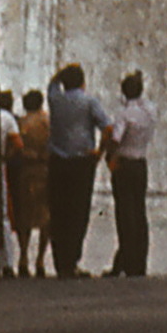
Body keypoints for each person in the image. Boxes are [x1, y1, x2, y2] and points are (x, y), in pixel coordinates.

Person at [45, 61, 113, 277]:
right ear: (83, 83)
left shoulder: (55, 100)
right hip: (82, 162)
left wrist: (62, 74)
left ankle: (60, 263)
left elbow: (52, 83)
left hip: (57, 161)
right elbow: (108, 128)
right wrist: (100, 152)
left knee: (58, 212)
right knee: (78, 212)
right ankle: (72, 260)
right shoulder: (89, 102)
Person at [107, 68, 157, 279]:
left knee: (124, 215)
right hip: (141, 163)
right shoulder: (150, 111)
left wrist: (109, 156)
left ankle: (125, 260)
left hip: (125, 163)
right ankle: (139, 262)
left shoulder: (124, 114)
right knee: (139, 213)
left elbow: (116, 138)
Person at [13, 87, 53, 278]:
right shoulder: (48, 122)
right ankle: (40, 260)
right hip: (45, 170)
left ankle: (22, 258)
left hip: (26, 171)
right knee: (46, 216)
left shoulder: (21, 123)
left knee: (25, 215)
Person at [0, 87, 18, 276]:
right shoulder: (7, 118)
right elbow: (17, 143)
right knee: (3, 215)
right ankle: (7, 262)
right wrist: (7, 157)